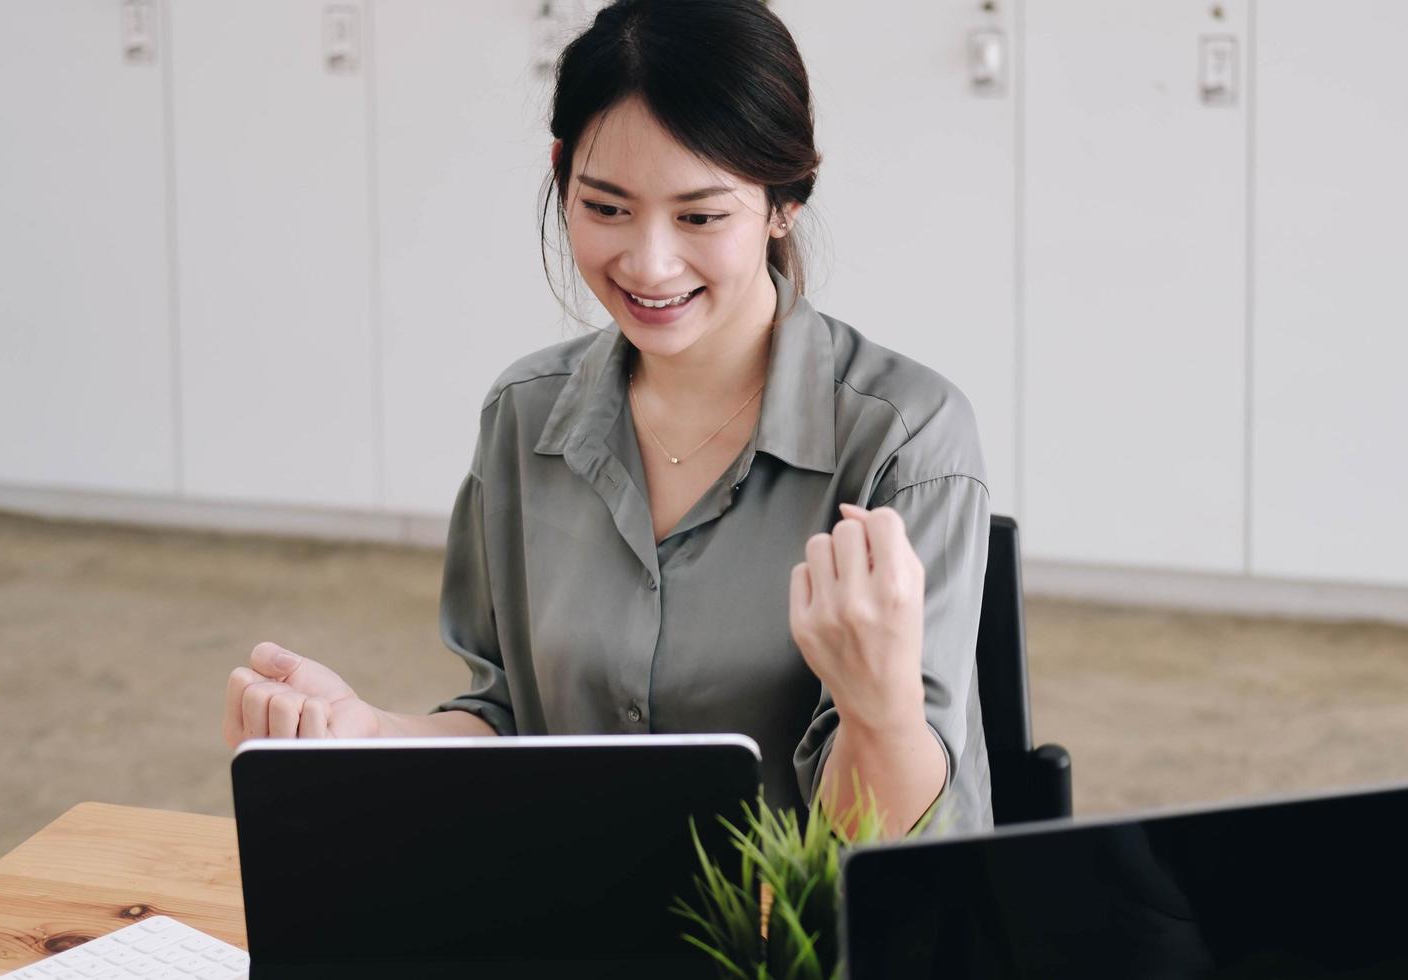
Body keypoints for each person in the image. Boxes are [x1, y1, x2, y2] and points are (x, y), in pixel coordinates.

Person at [221, 0, 992, 836]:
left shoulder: (907, 442)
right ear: (562, 174)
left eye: (700, 216)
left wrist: (878, 708)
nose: (648, 263)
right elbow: (512, 724)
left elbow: (885, 847)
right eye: (606, 207)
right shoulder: (525, 417)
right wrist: (373, 734)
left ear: (784, 202)